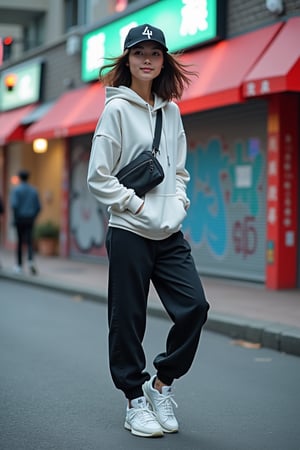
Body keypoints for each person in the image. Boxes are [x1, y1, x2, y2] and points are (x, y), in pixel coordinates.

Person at [87, 23, 210, 438]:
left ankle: (161, 385)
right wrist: (137, 206)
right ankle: (134, 401)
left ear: (163, 61)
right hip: (129, 230)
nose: (146, 59)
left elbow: (178, 170)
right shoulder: (115, 110)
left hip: (169, 233)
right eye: (138, 52)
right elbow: (98, 178)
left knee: (195, 307)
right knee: (128, 321)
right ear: (127, 60)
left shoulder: (171, 112)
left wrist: (179, 206)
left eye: (154, 53)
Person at [10, 170, 41, 275]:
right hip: (30, 219)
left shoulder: (16, 190)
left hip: (19, 219)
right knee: (29, 241)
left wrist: (15, 219)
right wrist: (33, 216)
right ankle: (30, 261)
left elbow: (14, 206)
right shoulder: (33, 190)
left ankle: (19, 265)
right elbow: (38, 207)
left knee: (19, 242)